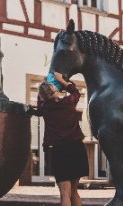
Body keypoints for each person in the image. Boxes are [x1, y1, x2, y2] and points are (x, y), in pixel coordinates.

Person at [37, 72, 87, 206]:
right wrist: (63, 81)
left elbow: (40, 102)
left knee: (65, 193)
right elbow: (76, 92)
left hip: (59, 151)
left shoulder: (45, 109)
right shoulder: (69, 103)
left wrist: (43, 85)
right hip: (77, 148)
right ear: (55, 90)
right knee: (74, 192)